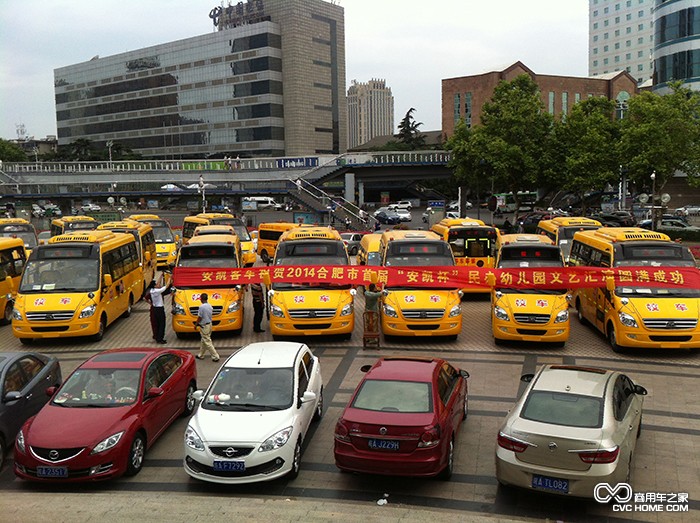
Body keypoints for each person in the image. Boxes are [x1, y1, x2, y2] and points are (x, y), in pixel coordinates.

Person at [195, 293, 220, 362]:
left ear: (201, 299)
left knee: (207, 342)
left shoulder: (201, 307)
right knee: (204, 341)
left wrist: (196, 324)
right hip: (209, 324)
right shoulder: (210, 306)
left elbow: (200, 317)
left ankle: (215, 356)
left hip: (204, 326)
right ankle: (201, 355)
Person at [148, 278, 172, 344]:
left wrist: (161, 276)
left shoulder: (152, 290)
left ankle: (158, 337)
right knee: (162, 324)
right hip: (160, 309)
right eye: (157, 284)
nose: (158, 284)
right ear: (154, 286)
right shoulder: (157, 291)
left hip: (155, 309)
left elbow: (157, 284)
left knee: (158, 324)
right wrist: (169, 279)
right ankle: (160, 339)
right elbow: (167, 286)